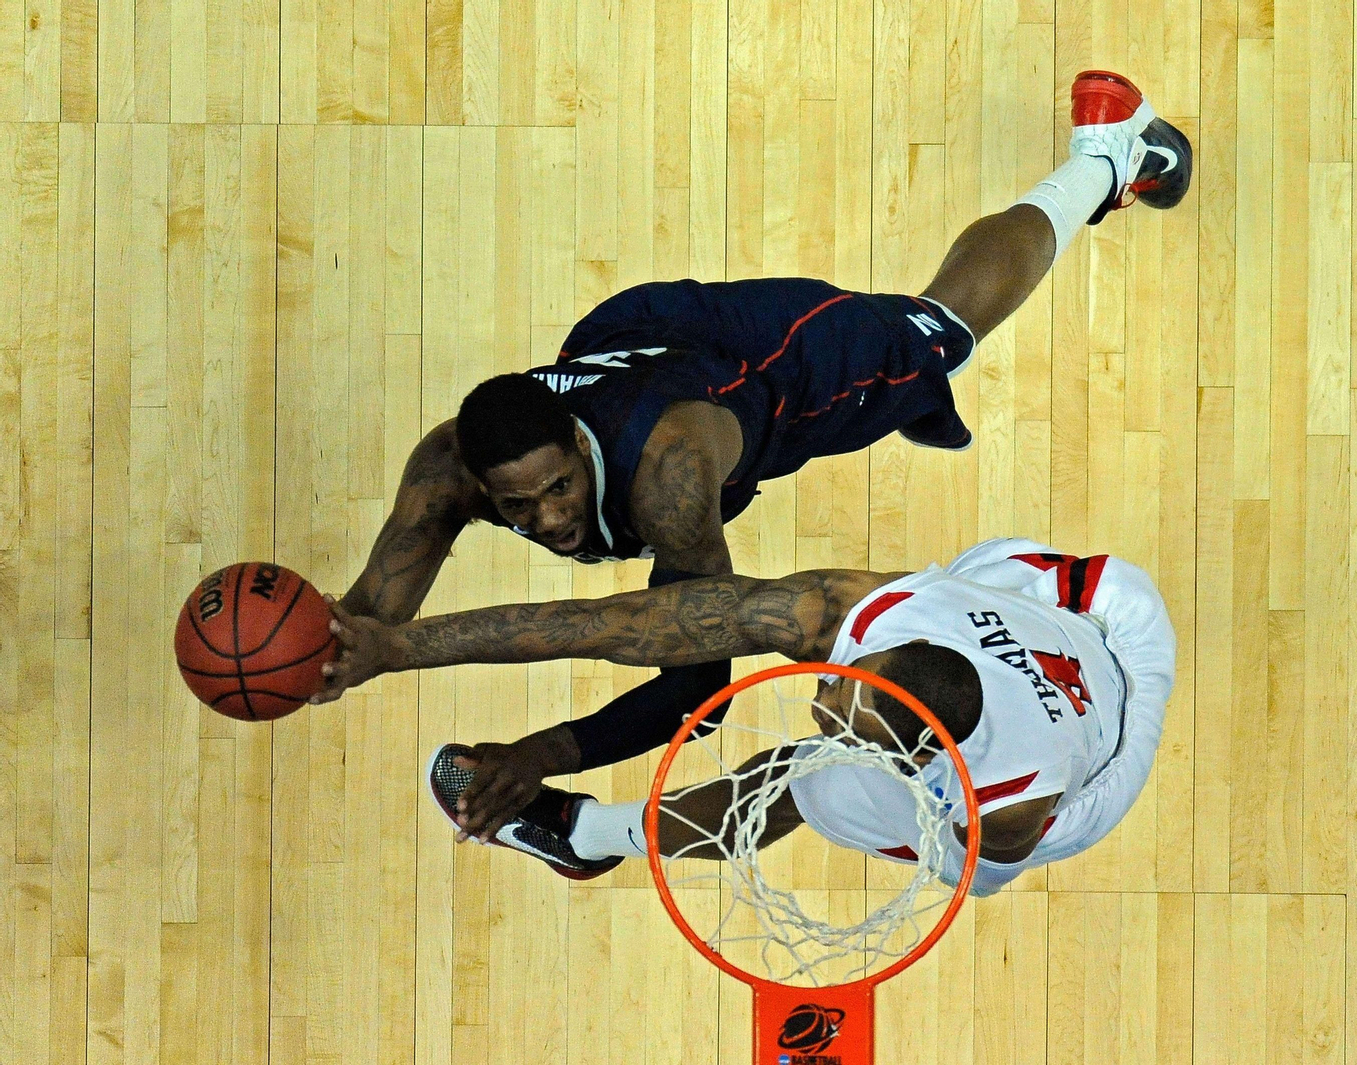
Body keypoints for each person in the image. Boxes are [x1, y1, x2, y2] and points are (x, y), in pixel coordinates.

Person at [318, 69, 1190, 814]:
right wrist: (306, 658)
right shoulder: (446, 468)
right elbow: (359, 627)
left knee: (938, 332)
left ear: (582, 454)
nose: (549, 520)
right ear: (477, 485)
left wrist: (545, 757)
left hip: (769, 374)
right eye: (520, 506)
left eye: (559, 489)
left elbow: (695, 677)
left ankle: (1112, 155)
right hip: (636, 341)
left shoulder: (671, 479)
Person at [319, 538, 1176, 894]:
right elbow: (626, 626)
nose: (817, 694)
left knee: (805, 779)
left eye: (841, 711)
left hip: (1077, 778)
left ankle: (590, 838)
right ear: (874, 649)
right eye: (844, 681)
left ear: (924, 756)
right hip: (1107, 617)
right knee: (1057, 573)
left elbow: (978, 866)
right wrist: (401, 644)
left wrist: (848, 757)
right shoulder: (871, 612)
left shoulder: (1012, 806)